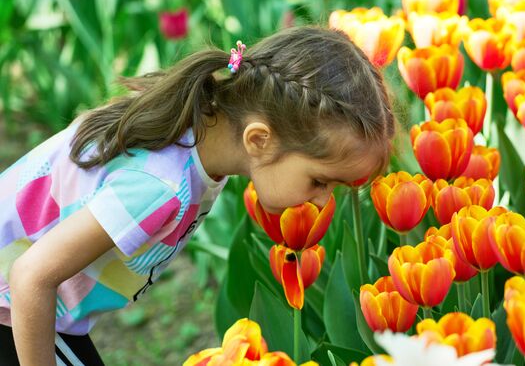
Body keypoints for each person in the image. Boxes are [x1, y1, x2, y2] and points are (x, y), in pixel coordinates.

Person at [0, 25, 395, 365]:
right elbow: (30, 276)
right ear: (259, 139)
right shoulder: (160, 188)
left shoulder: (198, 135)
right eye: (320, 181)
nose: (324, 202)